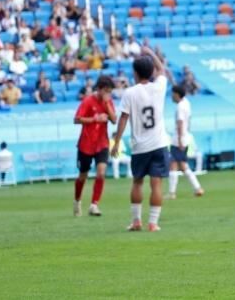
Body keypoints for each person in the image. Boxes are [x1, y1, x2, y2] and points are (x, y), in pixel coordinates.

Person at [111, 47, 170, 232]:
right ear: (151, 72)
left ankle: (136, 222)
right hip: (159, 144)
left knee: (137, 182)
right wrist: (150, 52)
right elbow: (162, 69)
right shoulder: (159, 87)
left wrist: (117, 141)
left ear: (135, 73)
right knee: (156, 183)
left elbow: (123, 118)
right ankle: (153, 223)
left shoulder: (130, 93)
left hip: (140, 147)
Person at [73, 76, 117, 217]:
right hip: (86, 144)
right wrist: (94, 119)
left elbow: (114, 120)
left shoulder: (108, 102)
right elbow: (76, 120)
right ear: (99, 89)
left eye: (110, 91)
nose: (108, 94)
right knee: (83, 176)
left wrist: (107, 105)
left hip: (102, 143)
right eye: (106, 91)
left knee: (101, 173)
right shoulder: (87, 101)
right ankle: (77, 201)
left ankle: (94, 205)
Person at [166, 85, 204, 199]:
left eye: (173, 94)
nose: (171, 96)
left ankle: (172, 193)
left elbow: (180, 123)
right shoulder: (186, 103)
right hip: (185, 137)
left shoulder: (180, 107)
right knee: (182, 165)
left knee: (174, 165)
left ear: (177, 94)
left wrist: (179, 140)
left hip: (179, 139)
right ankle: (197, 188)